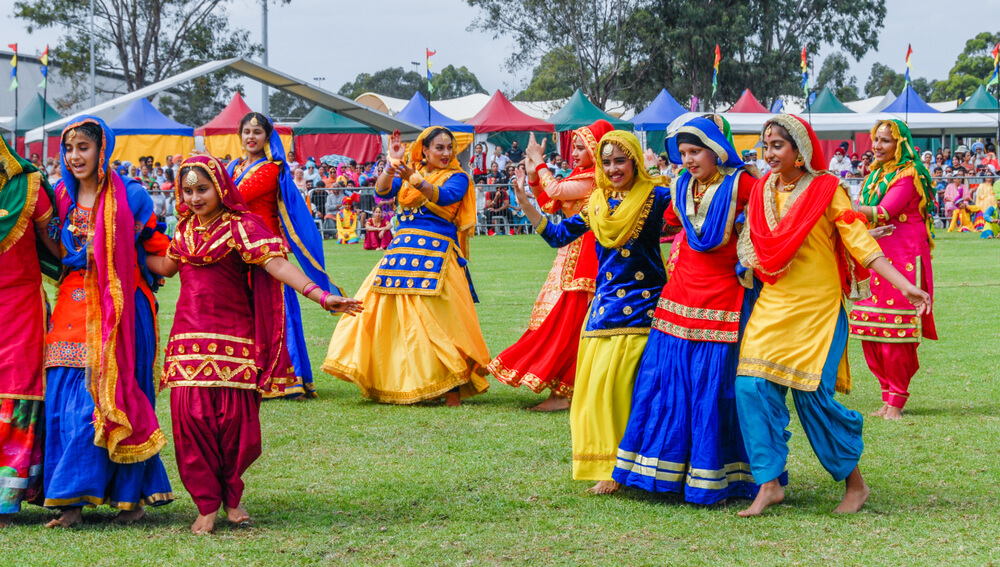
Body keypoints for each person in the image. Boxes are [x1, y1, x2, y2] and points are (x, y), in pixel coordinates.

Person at [148, 155, 360, 535]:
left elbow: (276, 265)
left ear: (220, 188)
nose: (195, 197)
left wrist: (322, 297)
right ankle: (207, 504)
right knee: (190, 424)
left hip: (234, 339)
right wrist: (118, 247)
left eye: (203, 189)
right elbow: (166, 267)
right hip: (188, 342)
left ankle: (231, 499)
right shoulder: (182, 231)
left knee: (236, 428)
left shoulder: (242, 226)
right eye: (189, 190)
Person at [733, 115, 931, 517]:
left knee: (813, 398)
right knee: (750, 387)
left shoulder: (828, 190)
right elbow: (751, 245)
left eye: (777, 146)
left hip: (818, 308)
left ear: (800, 150)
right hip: (773, 304)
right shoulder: (762, 191)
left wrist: (904, 284)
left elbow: (859, 241)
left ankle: (855, 485)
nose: (769, 154)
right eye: (766, 146)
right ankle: (768, 483)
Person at [612, 116, 769, 505]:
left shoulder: (744, 184)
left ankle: (719, 474)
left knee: (715, 386)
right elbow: (666, 223)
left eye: (696, 151)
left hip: (726, 294)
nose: (688, 160)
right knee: (666, 380)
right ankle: (662, 471)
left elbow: (772, 220)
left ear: (717, 149)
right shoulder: (680, 184)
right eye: (682, 153)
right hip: (680, 291)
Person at [512, 130, 672, 494]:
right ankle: (609, 468)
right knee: (596, 391)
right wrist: (526, 204)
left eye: (621, 160)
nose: (614, 168)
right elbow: (557, 235)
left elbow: (693, 219)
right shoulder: (596, 202)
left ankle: (646, 466)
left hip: (648, 306)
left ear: (635, 161)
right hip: (604, 308)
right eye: (607, 161)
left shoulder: (658, 196)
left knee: (635, 390)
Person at [43, 117, 175, 528]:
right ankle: (70, 499)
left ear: (103, 150)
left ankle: (125, 498)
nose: (75, 156)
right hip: (70, 307)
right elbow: (45, 242)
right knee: (63, 408)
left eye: (83, 147)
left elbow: (160, 255)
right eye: (69, 149)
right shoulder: (61, 197)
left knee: (109, 401)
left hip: (120, 309)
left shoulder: (130, 196)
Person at [322, 127, 490, 406]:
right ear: (425, 150)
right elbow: (381, 191)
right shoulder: (410, 172)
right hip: (399, 253)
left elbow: (443, 197)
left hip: (437, 255)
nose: (446, 153)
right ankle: (404, 381)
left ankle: (452, 389)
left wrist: (411, 176)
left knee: (441, 322)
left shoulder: (458, 178)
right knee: (391, 319)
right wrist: (392, 164)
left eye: (450, 148)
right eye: (440, 148)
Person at [487, 120, 613, 411]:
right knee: (559, 322)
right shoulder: (580, 175)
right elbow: (549, 203)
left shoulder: (594, 178)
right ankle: (563, 388)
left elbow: (555, 190)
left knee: (568, 324)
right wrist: (532, 178)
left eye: (582, 147)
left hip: (587, 259)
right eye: (574, 147)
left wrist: (539, 162)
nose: (575, 153)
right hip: (569, 254)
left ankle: (566, 392)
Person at [228, 112, 344, 399]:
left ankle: (282, 378)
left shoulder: (272, 169)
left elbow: (236, 196)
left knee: (273, 311)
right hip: (236, 248)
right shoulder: (233, 166)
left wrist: (209, 171)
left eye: (257, 132)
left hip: (266, 249)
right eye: (246, 132)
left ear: (267, 137)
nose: (251, 137)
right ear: (240, 135)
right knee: (242, 312)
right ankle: (247, 373)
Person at [851, 119, 938, 421]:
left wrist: (838, 207)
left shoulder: (908, 174)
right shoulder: (874, 175)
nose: (877, 146)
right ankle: (886, 397)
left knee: (896, 333)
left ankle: (897, 400)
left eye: (886, 141)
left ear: (900, 144)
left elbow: (884, 212)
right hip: (873, 256)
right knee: (871, 331)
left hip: (902, 258)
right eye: (876, 140)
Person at [0, 136, 61, 527]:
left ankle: (7, 496)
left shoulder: (29, 186)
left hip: (20, 307)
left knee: (16, 391)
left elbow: (56, 246)